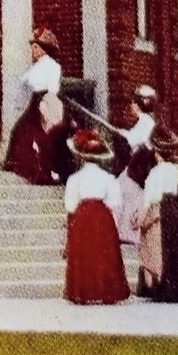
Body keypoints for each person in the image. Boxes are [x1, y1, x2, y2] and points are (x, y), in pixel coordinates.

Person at [62, 129, 130, 304]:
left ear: (81, 156)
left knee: (84, 253)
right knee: (103, 253)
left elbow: (70, 205)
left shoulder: (74, 178)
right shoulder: (108, 178)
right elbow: (115, 202)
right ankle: (106, 291)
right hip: (102, 216)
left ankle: (83, 292)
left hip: (83, 216)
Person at [136, 130, 178, 302]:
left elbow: (150, 198)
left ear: (157, 153)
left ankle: (164, 288)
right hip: (177, 209)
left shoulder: (155, 173)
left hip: (163, 210)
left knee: (162, 250)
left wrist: (140, 218)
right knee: (177, 249)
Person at [3, 27, 65, 184]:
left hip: (44, 101)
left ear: (44, 49)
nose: (32, 51)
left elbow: (51, 88)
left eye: (36, 47)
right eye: (32, 47)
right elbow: (24, 81)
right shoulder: (38, 66)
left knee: (37, 135)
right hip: (36, 100)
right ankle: (28, 167)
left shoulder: (52, 66)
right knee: (22, 131)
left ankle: (43, 171)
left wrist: (48, 107)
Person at [112, 86, 159, 245]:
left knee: (125, 192)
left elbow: (134, 140)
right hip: (136, 166)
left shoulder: (147, 122)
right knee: (122, 191)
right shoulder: (144, 122)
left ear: (140, 104)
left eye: (134, 102)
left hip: (140, 167)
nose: (131, 105)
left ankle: (128, 233)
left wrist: (122, 134)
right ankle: (124, 232)